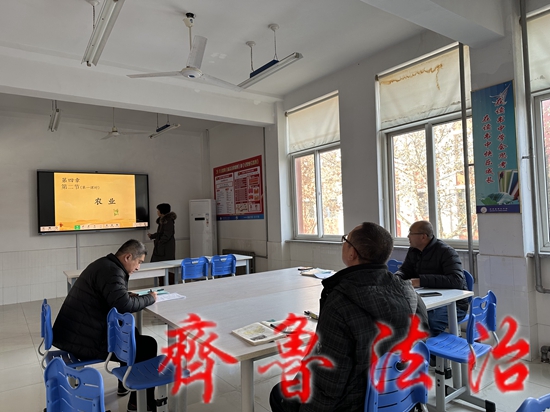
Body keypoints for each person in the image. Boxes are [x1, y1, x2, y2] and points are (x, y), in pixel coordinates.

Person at [269, 222, 429, 412]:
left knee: (278, 393)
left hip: (353, 403)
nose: (343, 243)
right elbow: (421, 339)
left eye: (346, 240)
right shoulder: (407, 291)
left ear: (352, 253)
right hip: (398, 397)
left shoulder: (341, 302)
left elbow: (328, 381)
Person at [53, 239, 159, 412]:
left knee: (132, 333)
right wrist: (150, 298)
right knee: (147, 345)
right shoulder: (112, 271)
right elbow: (124, 306)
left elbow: (111, 297)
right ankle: (140, 403)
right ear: (128, 257)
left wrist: (126, 295)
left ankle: (125, 384)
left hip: (75, 332)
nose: (139, 267)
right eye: (139, 262)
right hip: (83, 340)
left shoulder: (105, 264)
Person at [395, 220, 468, 336]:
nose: (408, 236)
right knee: (401, 315)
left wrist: (420, 281)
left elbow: (456, 280)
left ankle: (430, 347)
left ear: (423, 237)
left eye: (411, 233)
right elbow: (405, 270)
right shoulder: (413, 250)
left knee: (427, 322)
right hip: (427, 300)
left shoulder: (446, 252)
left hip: (454, 304)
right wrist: (396, 278)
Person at [148, 203, 177, 286]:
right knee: (159, 267)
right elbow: (160, 233)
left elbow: (167, 235)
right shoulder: (163, 221)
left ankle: (168, 285)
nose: (157, 212)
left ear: (162, 211)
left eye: (158, 210)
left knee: (165, 268)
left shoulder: (168, 221)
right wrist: (152, 236)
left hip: (165, 249)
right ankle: (163, 284)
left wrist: (159, 242)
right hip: (162, 248)